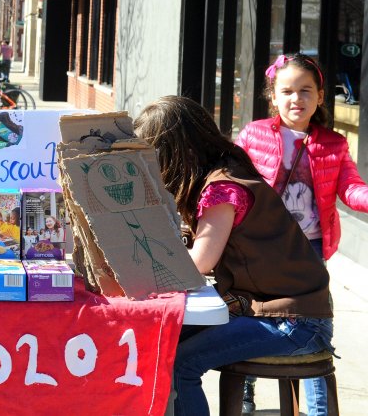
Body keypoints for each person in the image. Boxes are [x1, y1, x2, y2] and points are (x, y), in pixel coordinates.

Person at [133, 96, 333, 416]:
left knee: (182, 362)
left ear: (178, 152)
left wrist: (137, 265)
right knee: (162, 337)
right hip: (278, 311)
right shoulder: (227, 170)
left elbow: (199, 263)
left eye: (156, 158)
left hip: (295, 322)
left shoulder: (221, 189)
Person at [235, 53, 368, 415]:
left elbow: (351, 189)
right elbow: (231, 181)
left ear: (321, 96)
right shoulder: (253, 135)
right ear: (273, 97)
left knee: (312, 328)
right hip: (260, 246)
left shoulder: (334, 144)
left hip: (309, 250)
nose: (297, 98)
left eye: (306, 90)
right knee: (253, 315)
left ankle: (317, 410)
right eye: (288, 91)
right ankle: (245, 391)